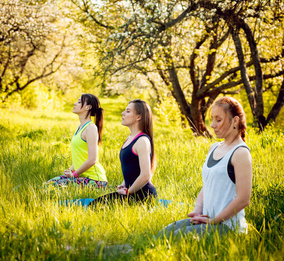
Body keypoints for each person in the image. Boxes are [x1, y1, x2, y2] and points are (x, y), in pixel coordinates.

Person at [159, 96, 252, 237]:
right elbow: (207, 185)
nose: (212, 125)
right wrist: (198, 210)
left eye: (218, 120)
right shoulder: (214, 148)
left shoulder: (240, 153)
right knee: (164, 234)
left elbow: (243, 199)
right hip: (207, 220)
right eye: (212, 119)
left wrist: (214, 221)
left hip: (227, 227)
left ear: (235, 121)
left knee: (177, 237)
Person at [89, 99, 157, 206]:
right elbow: (132, 169)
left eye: (128, 111)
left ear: (138, 117)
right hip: (131, 192)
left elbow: (145, 176)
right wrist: (124, 184)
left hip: (143, 196)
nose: (123, 113)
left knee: (96, 207)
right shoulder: (130, 138)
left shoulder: (142, 141)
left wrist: (128, 192)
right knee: (94, 205)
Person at [46, 94, 107, 189]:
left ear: (88, 107)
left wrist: (74, 174)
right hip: (82, 177)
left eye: (79, 102)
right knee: (48, 184)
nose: (75, 104)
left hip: (95, 181)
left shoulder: (90, 128)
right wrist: (70, 171)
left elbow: (92, 160)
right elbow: (80, 156)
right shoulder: (80, 127)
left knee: (52, 187)